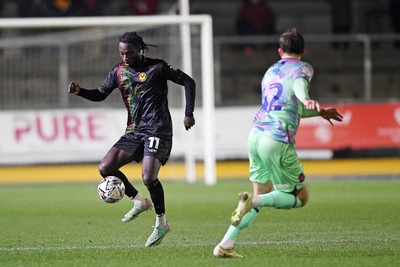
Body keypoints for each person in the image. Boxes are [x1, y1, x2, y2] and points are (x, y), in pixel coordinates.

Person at [213, 28, 343, 258]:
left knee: (261, 194)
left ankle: (225, 245)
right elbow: (299, 86)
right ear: (303, 51)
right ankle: (252, 201)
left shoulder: (271, 71)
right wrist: (306, 98)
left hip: (255, 136)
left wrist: (319, 112)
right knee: (300, 197)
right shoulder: (303, 68)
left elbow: (287, 106)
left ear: (280, 51)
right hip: (276, 139)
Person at [68, 31, 196, 247]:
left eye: (128, 53)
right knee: (105, 167)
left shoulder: (158, 67)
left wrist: (188, 112)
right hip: (135, 131)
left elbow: (188, 82)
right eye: (121, 53)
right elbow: (101, 94)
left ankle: (161, 223)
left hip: (158, 129)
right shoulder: (118, 72)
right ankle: (139, 201)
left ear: (140, 49)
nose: (125, 57)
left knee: (148, 177)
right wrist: (80, 91)